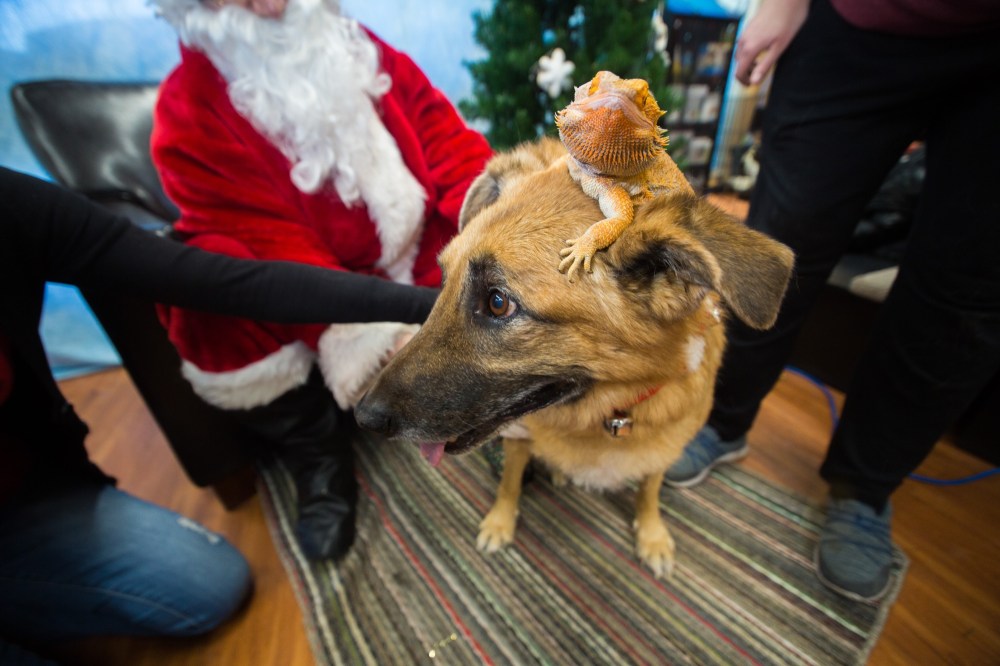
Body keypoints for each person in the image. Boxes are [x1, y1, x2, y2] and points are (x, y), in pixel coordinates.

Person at [0, 166, 439, 662]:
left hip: (17, 498)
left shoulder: (9, 203)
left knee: (213, 587)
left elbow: (224, 281)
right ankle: (317, 452)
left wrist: (435, 306)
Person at [664, 0, 1000, 601]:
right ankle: (721, 416)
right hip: (858, 25)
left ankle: (864, 488)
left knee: (967, 287)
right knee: (776, 241)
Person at [149, 0, 492, 561]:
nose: (268, 3)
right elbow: (268, 245)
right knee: (203, 298)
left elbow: (447, 141)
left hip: (414, 249)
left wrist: (494, 221)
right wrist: (373, 331)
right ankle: (319, 452)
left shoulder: (361, 45)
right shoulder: (187, 111)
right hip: (309, 288)